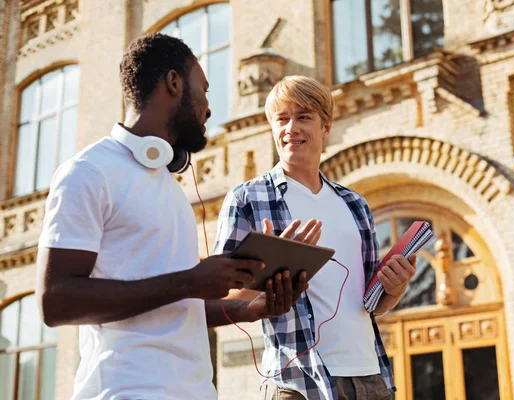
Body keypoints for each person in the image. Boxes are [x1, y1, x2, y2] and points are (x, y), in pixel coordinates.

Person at [35, 33, 311, 400]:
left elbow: (178, 307)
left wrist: (250, 308)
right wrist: (189, 281)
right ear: (174, 83)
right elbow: (55, 301)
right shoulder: (89, 172)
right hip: (127, 392)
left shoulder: (169, 186)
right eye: (205, 89)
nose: (209, 108)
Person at [214, 76, 417, 400]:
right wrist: (273, 266)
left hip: (370, 378)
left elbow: (371, 305)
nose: (290, 128)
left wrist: (394, 290)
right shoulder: (247, 198)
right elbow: (219, 293)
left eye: (303, 117)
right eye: (281, 119)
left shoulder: (355, 204)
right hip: (298, 382)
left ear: (326, 127)